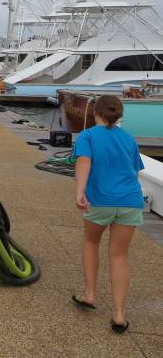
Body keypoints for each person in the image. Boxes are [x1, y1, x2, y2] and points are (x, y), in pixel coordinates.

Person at [71, 95, 144, 334]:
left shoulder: (88, 135)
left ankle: (90, 295)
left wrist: (80, 192)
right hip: (130, 201)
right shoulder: (129, 139)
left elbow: (84, 162)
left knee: (91, 242)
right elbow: (134, 170)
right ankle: (119, 314)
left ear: (95, 113)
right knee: (119, 256)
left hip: (100, 200)